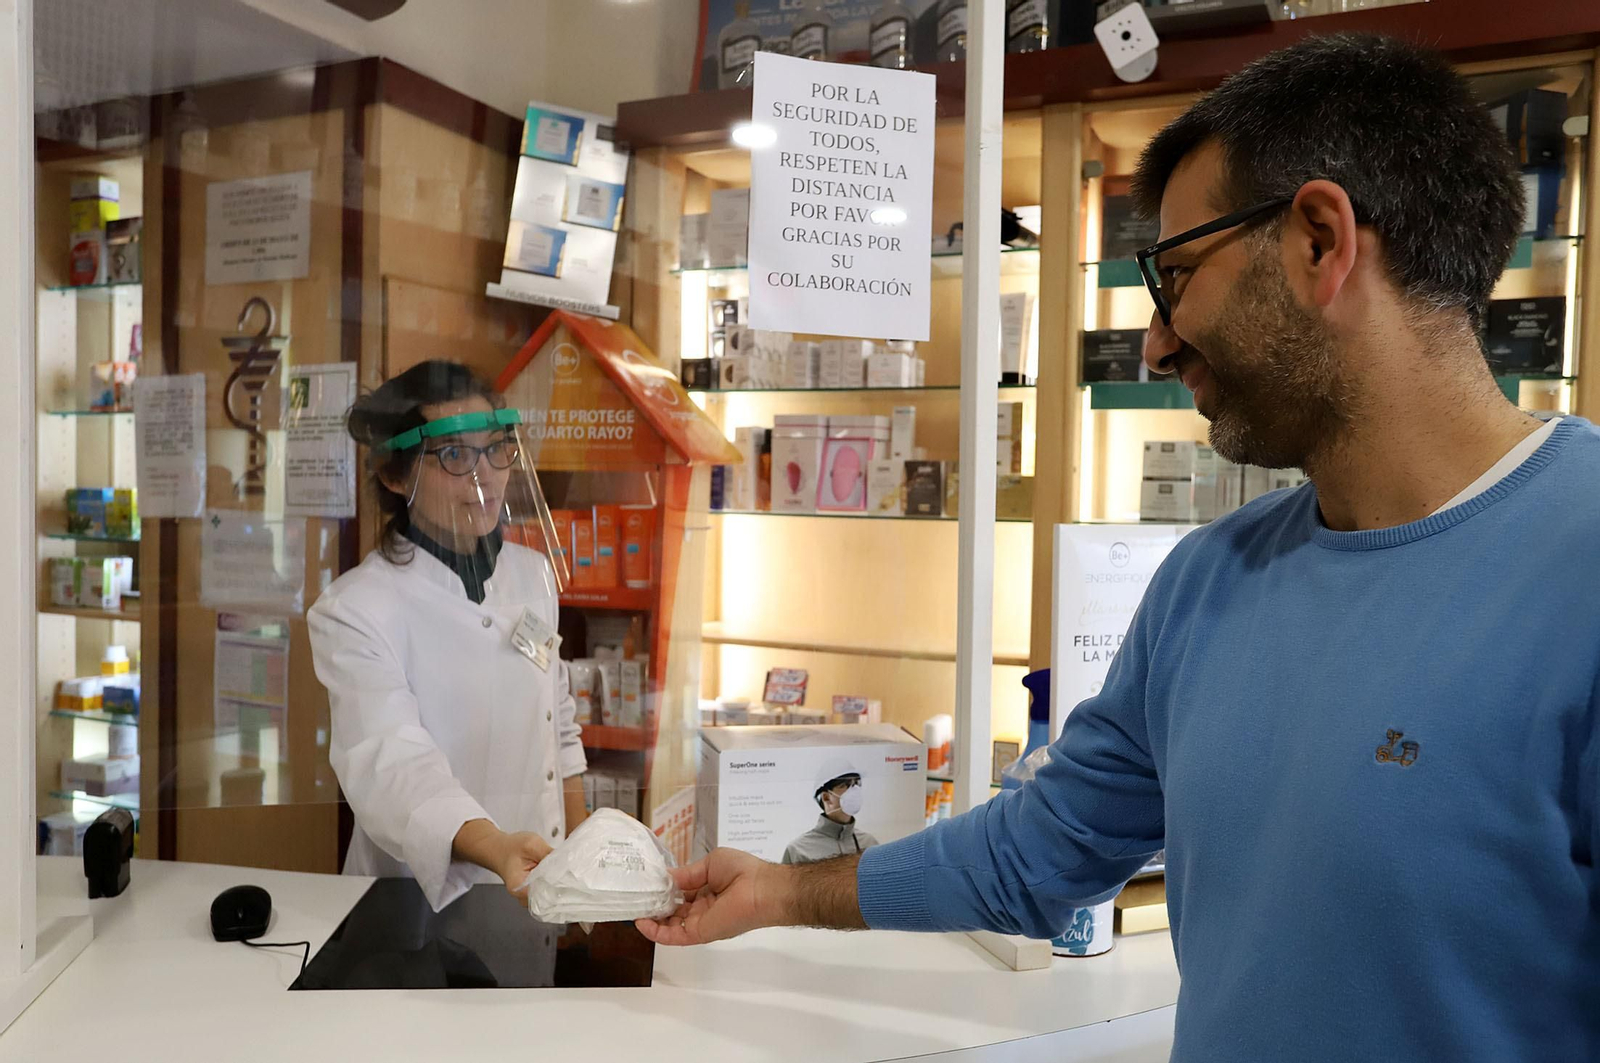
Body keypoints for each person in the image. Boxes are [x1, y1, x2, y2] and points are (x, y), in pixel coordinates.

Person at [636, 34, 1600, 1062]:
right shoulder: (1207, 582)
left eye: (1175, 275)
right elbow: (1037, 852)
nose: (1156, 341)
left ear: (1320, 241)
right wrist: (782, 890)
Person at [309, 360, 587, 913]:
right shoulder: (356, 609)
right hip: (412, 907)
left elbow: (556, 725)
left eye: (496, 449)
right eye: (455, 455)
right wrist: (496, 847)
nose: (486, 477)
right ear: (395, 476)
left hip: (537, 889)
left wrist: (583, 854)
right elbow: (393, 765)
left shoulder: (531, 575)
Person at [781, 763, 879, 865]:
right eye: (844, 785)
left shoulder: (870, 844)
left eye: (856, 784)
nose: (854, 790)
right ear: (826, 798)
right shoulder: (798, 852)